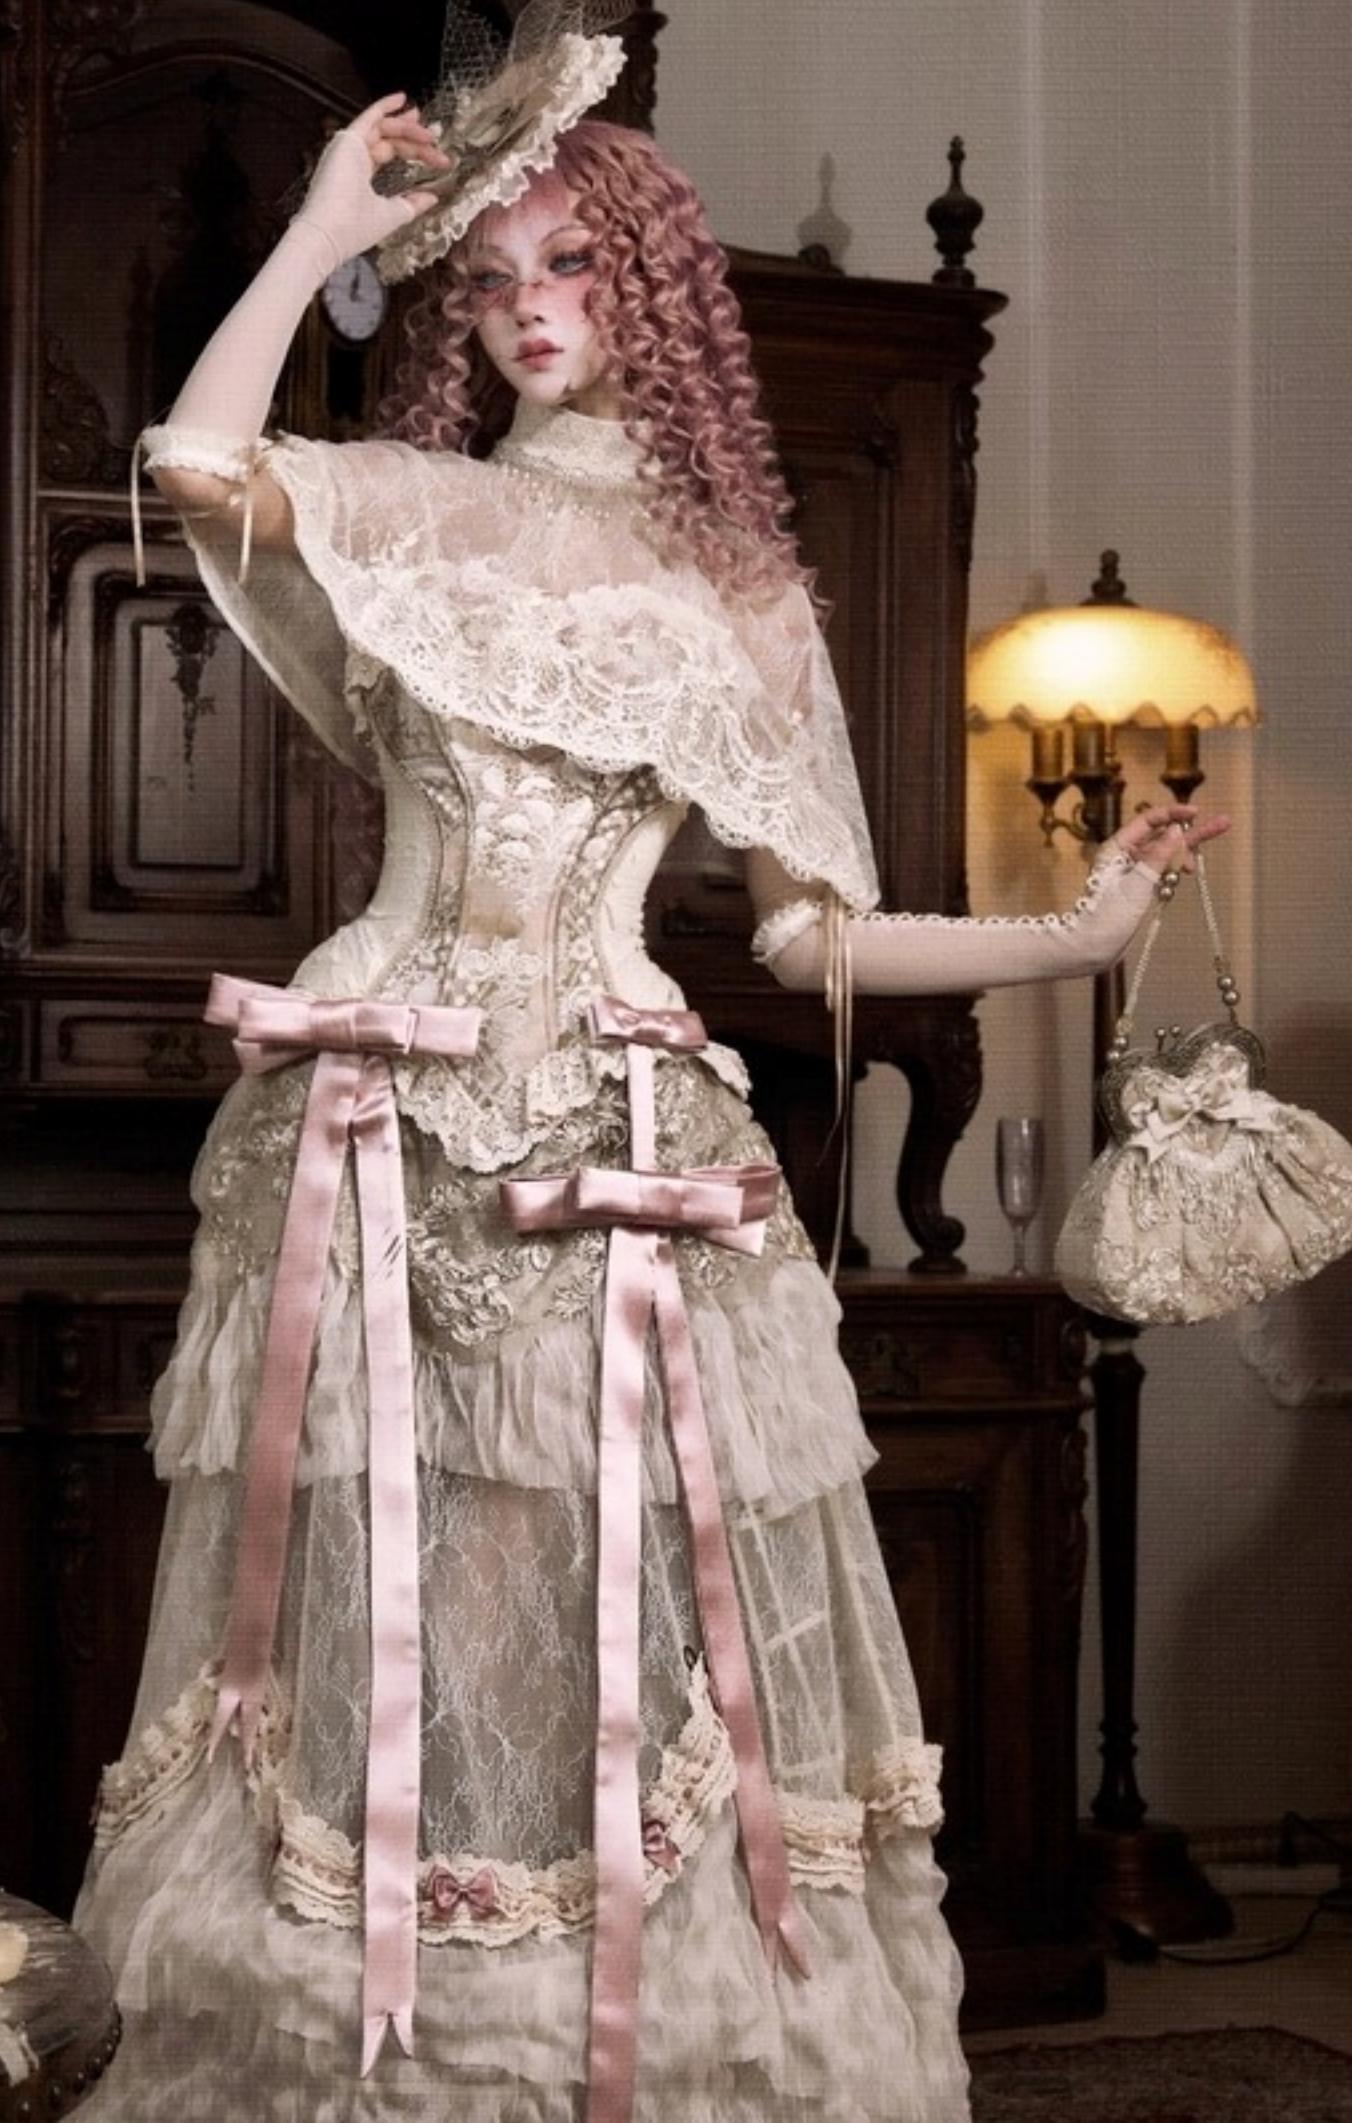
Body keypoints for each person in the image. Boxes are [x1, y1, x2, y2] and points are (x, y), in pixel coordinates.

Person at [75, 75, 1229, 2123]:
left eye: (577, 265)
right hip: (379, 1125)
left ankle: (583, 2051)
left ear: (658, 293)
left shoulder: (741, 595)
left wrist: (1078, 935)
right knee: (388, 1603)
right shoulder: (411, 509)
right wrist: (328, 232)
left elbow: (808, 938)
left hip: (618, 1135)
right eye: (494, 274)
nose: (532, 304)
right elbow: (190, 459)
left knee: (605, 1605)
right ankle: (403, 2061)